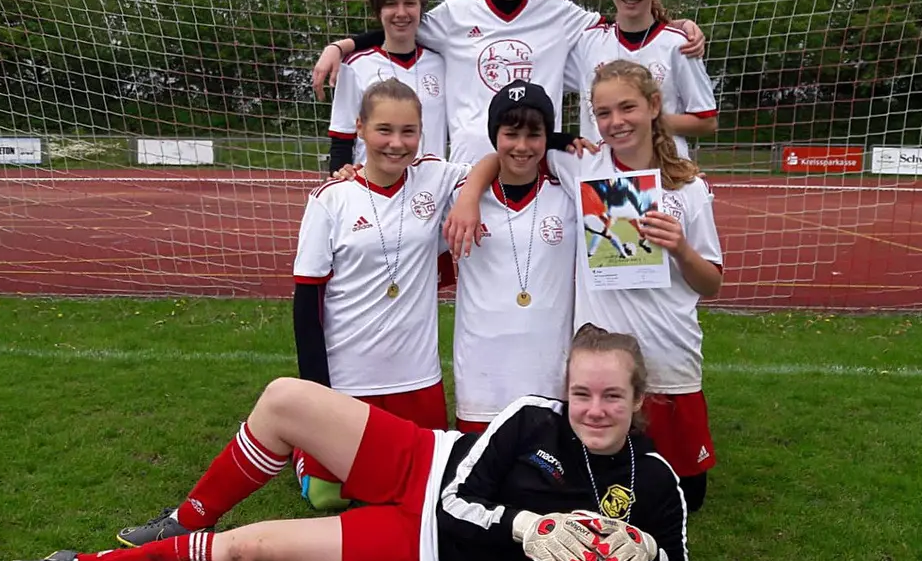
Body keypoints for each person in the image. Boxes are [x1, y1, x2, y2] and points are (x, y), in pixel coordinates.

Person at [0, 324, 690, 561]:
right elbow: (459, 498)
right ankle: (180, 520)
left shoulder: (655, 481)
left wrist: (648, 552)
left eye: (612, 396)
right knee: (284, 399)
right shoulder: (533, 417)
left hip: (427, 551)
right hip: (426, 465)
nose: (594, 410)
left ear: (638, 400)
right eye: (581, 393)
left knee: (251, 552)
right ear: (565, 390)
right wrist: (527, 527)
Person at [448, 60, 724, 512]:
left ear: (654, 105)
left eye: (627, 108)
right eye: (603, 112)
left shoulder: (686, 187)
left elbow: (710, 283)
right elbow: (510, 148)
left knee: (686, 497)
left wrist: (680, 249)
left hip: (670, 352)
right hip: (603, 356)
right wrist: (469, 193)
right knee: (608, 483)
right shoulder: (582, 166)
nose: (616, 122)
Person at [310, 0, 707, 165]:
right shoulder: (455, 15)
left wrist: (676, 25)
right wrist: (341, 46)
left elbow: (627, 20)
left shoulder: (559, 13)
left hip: (535, 160)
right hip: (468, 164)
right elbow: (399, 24)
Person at [284, 79, 473, 513]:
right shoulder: (332, 199)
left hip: (417, 378)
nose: (396, 143)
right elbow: (307, 303)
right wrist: (317, 392)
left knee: (424, 491)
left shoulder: (434, 176)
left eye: (409, 131)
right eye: (384, 130)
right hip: (350, 378)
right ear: (361, 129)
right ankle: (302, 448)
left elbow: (498, 163)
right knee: (328, 497)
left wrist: (467, 200)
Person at [450, 81, 579, 434]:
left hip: (548, 371)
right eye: (510, 134)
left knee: (545, 463)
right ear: (495, 136)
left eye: (534, 135)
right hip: (481, 374)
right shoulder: (460, 196)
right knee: (479, 465)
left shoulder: (568, 192)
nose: (522, 146)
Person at [565, 0, 718, 162]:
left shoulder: (679, 45)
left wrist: (645, 121)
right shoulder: (587, 43)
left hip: (664, 171)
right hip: (601, 174)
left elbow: (706, 122)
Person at [326, 0, 448, 175]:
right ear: (378, 10)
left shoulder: (442, 64)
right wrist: (338, 178)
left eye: (410, 3)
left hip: (432, 188)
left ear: (421, 8)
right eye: (391, 4)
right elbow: (341, 139)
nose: (401, 13)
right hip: (374, 187)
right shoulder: (355, 65)